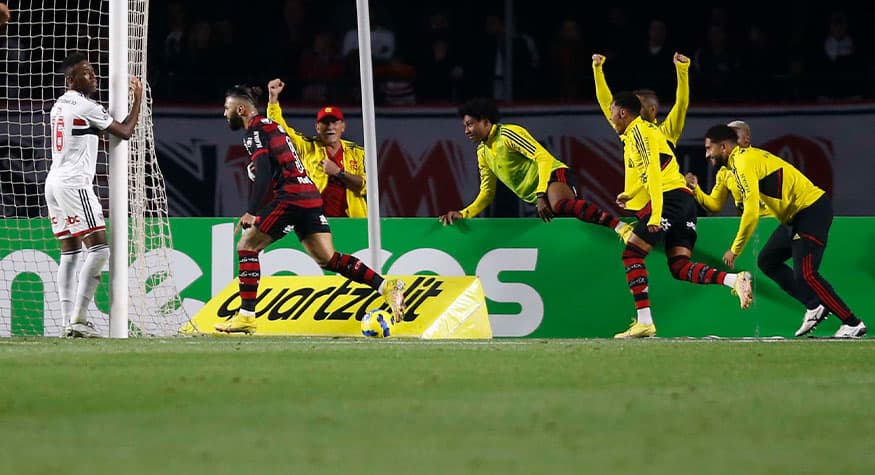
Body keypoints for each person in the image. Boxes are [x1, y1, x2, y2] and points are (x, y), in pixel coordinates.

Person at [217, 85, 404, 334]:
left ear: (240, 109)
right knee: (328, 258)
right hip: (310, 196)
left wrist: (252, 210)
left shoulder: (255, 131)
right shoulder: (274, 127)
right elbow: (274, 165)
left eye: (227, 108)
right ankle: (385, 287)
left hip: (292, 197)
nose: (224, 113)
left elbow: (262, 168)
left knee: (247, 246)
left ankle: (246, 316)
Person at [609, 92, 752, 339]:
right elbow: (660, 169)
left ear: (623, 113)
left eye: (612, 111)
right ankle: (734, 280)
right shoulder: (649, 133)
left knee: (632, 253)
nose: (609, 116)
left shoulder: (638, 133)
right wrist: (631, 192)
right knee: (679, 266)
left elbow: (654, 172)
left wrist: (654, 215)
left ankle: (645, 322)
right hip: (684, 201)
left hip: (670, 200)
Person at [703, 124, 866, 338]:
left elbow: (750, 213)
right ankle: (814, 305)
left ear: (723, 147)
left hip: (811, 210)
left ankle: (852, 323)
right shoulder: (739, 163)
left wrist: (735, 249)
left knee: (807, 273)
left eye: (709, 148)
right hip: (794, 218)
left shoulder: (743, 162)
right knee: (768, 260)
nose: (707, 154)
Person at [438, 97, 631, 242]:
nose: (466, 130)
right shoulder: (482, 152)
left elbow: (543, 158)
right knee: (565, 228)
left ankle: (620, 226)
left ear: (486, 122)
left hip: (555, 175)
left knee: (559, 205)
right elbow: (487, 193)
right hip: (540, 196)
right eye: (464, 126)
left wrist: (540, 195)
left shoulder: (508, 134)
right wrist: (464, 213)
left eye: (470, 124)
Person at [46, 52, 143, 338]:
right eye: (87, 73)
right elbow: (124, 132)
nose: (94, 76)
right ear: (72, 79)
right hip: (75, 184)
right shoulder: (87, 107)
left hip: (54, 182)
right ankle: (78, 318)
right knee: (100, 250)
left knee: (71, 253)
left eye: (92, 71)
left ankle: (67, 322)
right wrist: (138, 100)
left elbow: (89, 134)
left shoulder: (59, 105)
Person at [592, 51, 690, 215]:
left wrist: (682, 70)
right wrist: (597, 69)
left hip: (660, 206)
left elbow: (681, 104)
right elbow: (606, 103)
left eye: (638, 103)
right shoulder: (627, 130)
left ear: (652, 109)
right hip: (632, 207)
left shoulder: (666, 131)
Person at [264, 78, 366, 217]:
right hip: (316, 224)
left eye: (334, 122)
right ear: (318, 128)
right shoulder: (307, 147)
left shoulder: (358, 152)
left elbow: (366, 186)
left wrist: (338, 172)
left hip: (353, 223)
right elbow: (279, 129)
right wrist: (273, 99)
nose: (330, 127)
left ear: (343, 126)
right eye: (325, 123)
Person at [686, 120, 772, 217]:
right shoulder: (724, 172)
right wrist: (696, 190)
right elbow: (715, 205)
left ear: (746, 140)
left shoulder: (762, 160)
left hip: (773, 222)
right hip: (748, 226)